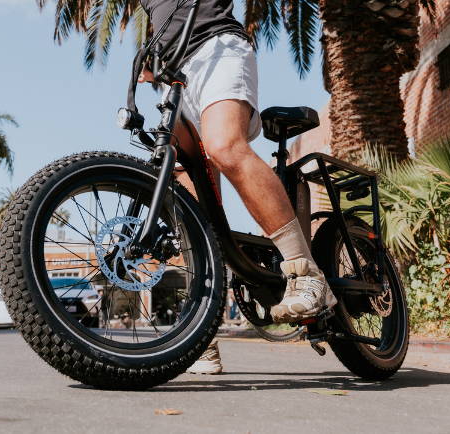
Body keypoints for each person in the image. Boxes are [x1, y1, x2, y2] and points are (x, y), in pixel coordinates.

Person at [137, 0, 336, 374]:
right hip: (174, 75)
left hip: (217, 49)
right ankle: (202, 329)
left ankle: (306, 274)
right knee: (184, 178)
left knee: (224, 146)